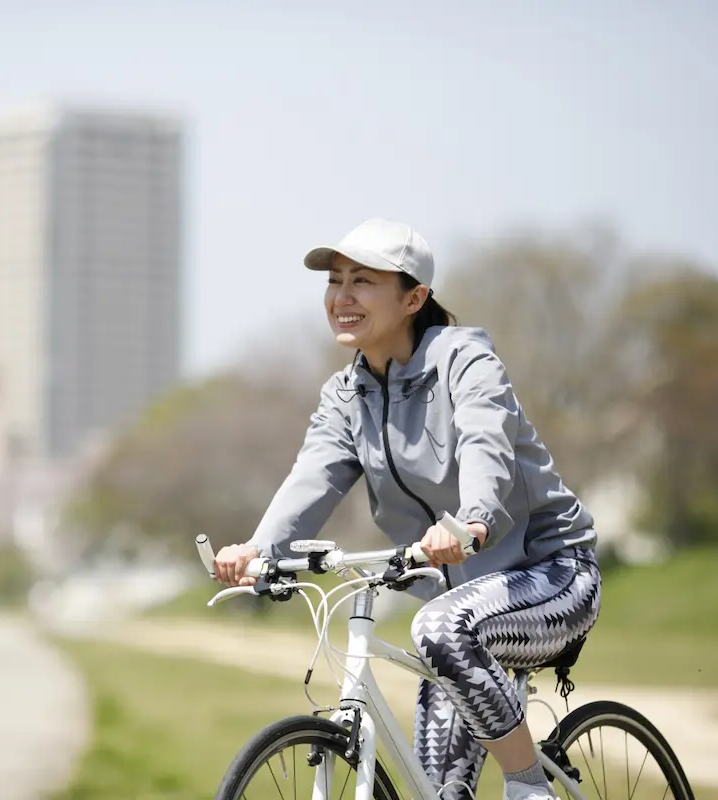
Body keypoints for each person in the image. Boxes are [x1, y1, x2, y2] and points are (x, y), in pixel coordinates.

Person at [212, 218, 601, 800]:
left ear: (414, 297)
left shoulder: (465, 363)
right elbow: (310, 480)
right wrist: (258, 552)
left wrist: (474, 522)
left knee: (440, 627)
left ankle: (527, 785)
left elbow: (483, 444)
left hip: (550, 573)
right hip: (454, 597)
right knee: (436, 789)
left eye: (362, 282)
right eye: (335, 281)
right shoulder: (347, 396)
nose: (341, 297)